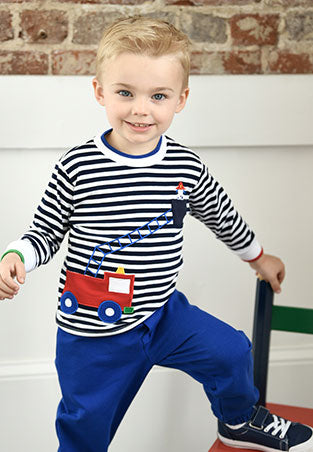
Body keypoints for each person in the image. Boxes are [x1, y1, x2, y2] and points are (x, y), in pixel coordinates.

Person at [0, 16, 312, 452]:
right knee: (84, 425)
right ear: (99, 91)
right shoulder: (78, 166)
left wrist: (259, 257)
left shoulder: (185, 167)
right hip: (93, 334)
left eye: (158, 96)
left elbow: (222, 216)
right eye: (125, 93)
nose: (141, 109)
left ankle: (237, 420)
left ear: (181, 99)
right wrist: (17, 256)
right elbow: (45, 231)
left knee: (232, 351)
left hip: (163, 316)